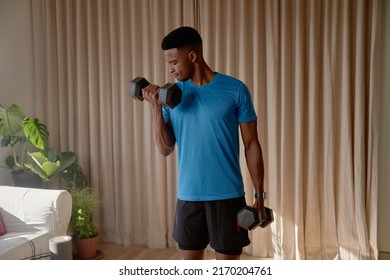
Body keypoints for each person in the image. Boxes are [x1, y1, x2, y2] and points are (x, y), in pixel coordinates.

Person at [142, 26, 266, 260]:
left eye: (173, 62)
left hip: (228, 197)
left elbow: (251, 145)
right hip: (189, 196)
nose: (170, 70)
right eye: (168, 64)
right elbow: (164, 149)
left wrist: (260, 195)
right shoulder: (172, 96)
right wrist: (156, 108)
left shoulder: (235, 90)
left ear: (192, 56)